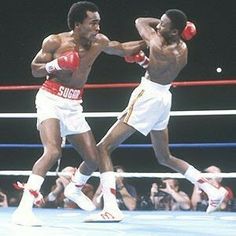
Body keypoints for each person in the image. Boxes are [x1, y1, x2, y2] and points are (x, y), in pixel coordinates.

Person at [11, 1, 145, 226]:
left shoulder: (99, 42)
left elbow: (121, 48)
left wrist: (152, 40)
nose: (97, 27)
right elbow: (35, 69)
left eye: (99, 23)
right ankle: (23, 210)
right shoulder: (55, 41)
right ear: (77, 24)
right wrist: (57, 64)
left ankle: (74, 189)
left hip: (74, 104)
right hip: (50, 99)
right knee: (52, 151)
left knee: (93, 158)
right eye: (92, 23)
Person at [86, 9, 228, 222]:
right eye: (159, 23)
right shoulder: (183, 48)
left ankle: (111, 208)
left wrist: (163, 28)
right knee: (164, 157)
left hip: (148, 96)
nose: (158, 27)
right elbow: (157, 68)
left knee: (103, 148)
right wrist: (145, 59)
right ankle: (212, 191)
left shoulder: (157, 42)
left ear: (173, 32)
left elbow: (139, 20)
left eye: (163, 25)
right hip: (164, 96)